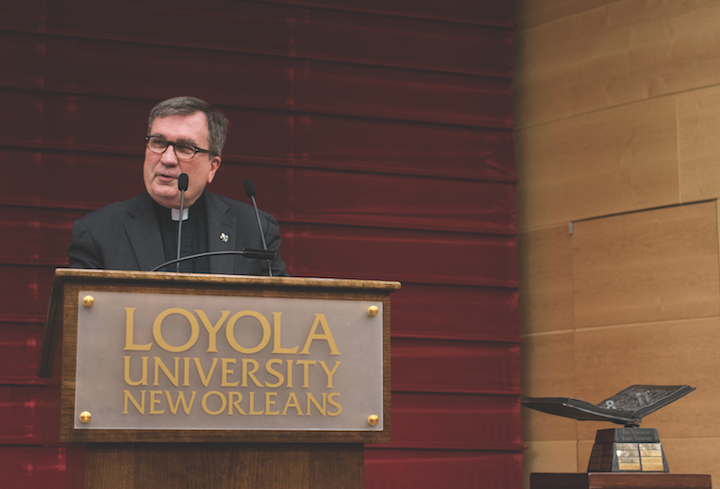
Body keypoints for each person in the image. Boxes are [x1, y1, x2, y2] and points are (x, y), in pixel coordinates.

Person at [67, 96, 287, 276]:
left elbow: (282, 313)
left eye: (184, 147)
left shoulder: (255, 229)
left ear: (213, 166)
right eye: (158, 143)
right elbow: (80, 322)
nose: (167, 159)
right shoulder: (98, 233)